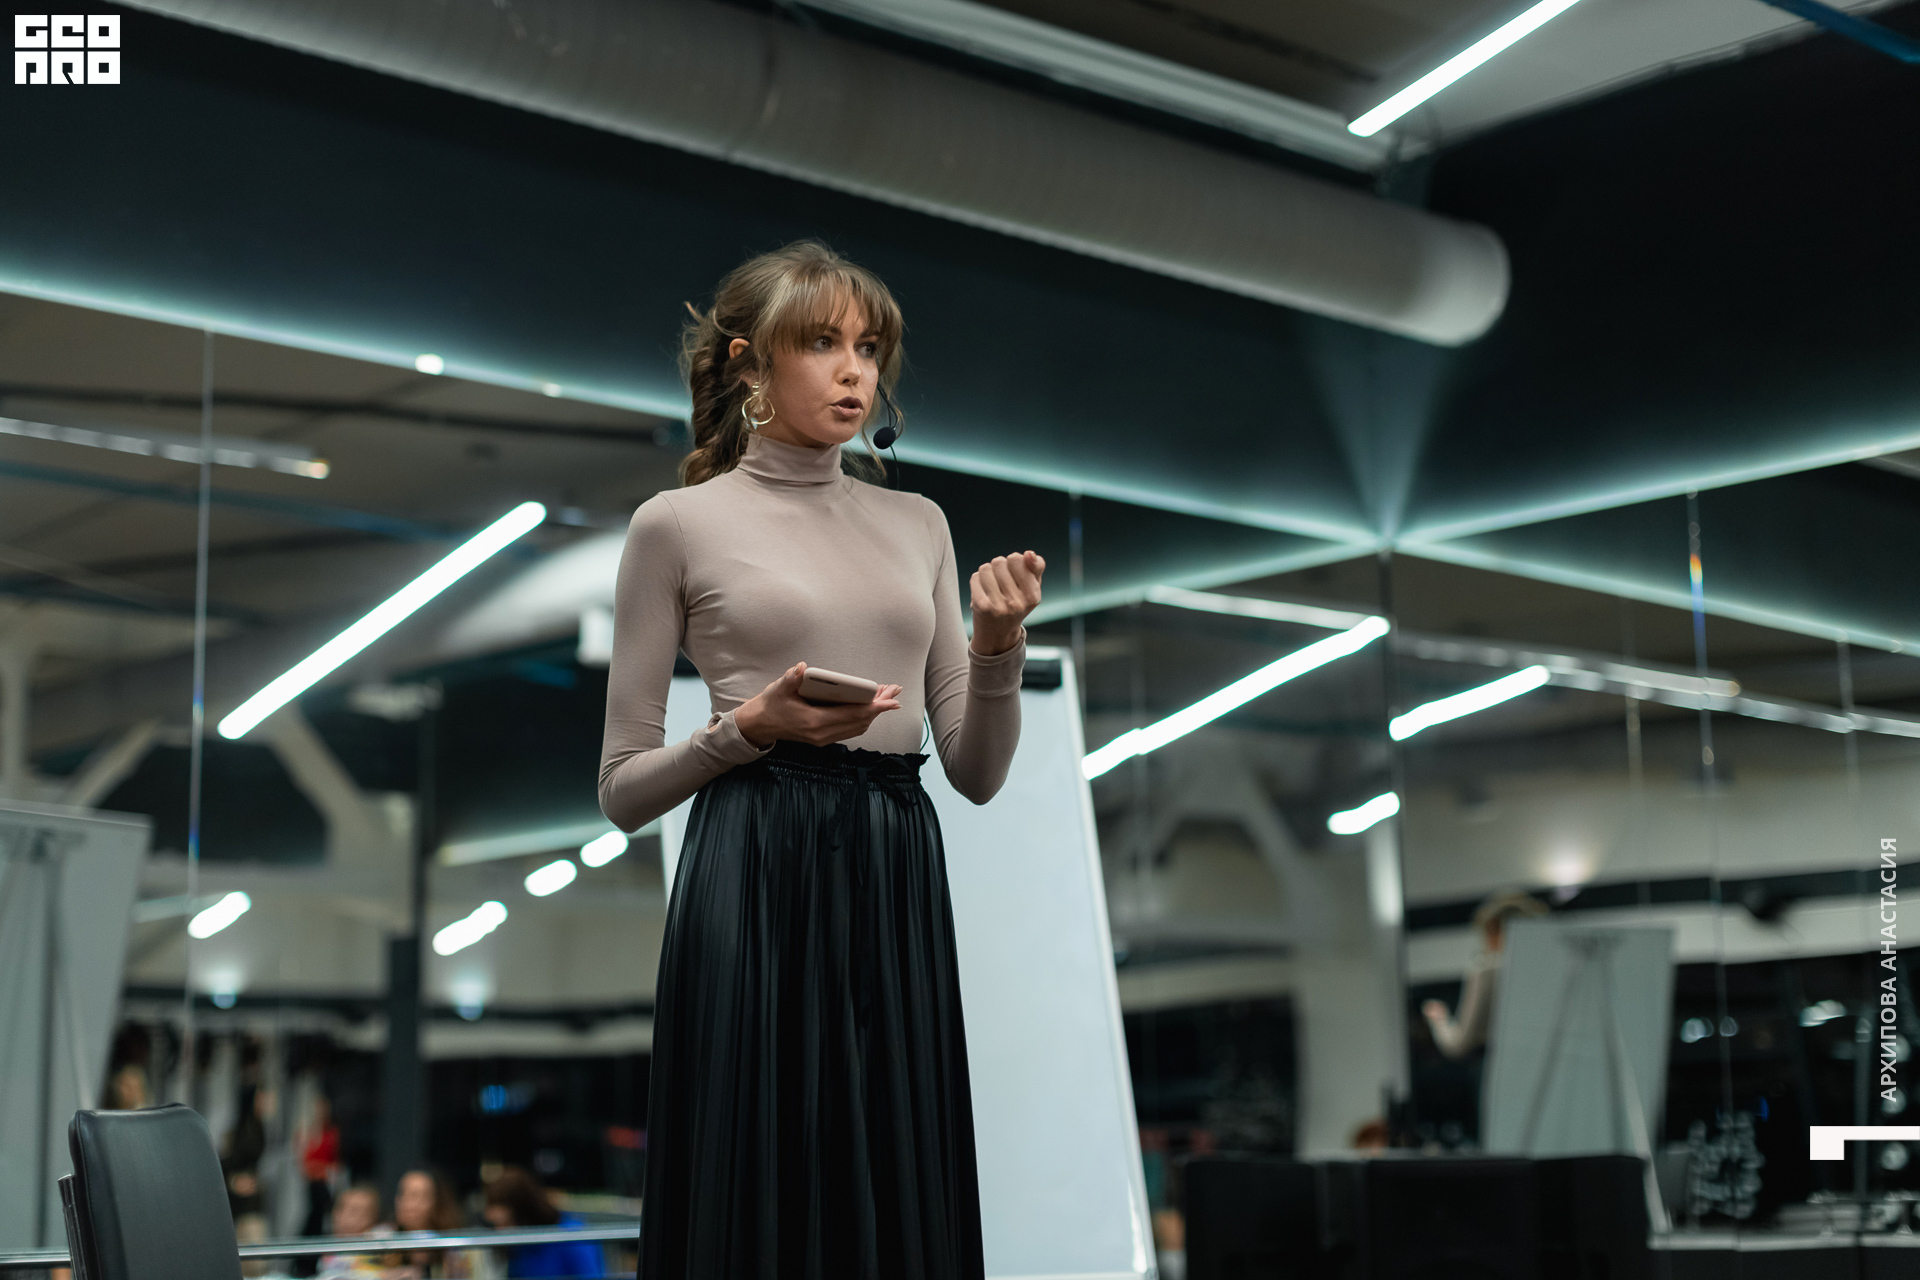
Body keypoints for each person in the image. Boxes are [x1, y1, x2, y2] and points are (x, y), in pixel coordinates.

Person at [599, 240, 1044, 1280]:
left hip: (894, 859)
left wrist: (996, 646)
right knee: (765, 1168)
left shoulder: (918, 522)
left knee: (894, 1167)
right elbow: (620, 789)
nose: (855, 371)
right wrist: (747, 729)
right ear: (751, 361)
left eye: (869, 347)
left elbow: (976, 771)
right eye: (823, 343)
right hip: (756, 856)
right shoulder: (677, 525)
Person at [1421, 888, 1550, 1058]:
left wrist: (1439, 1018)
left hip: (1498, 1062)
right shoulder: (1543, 968)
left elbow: (1459, 1044)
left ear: (1494, 929)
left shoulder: (1487, 970)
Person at [481, 1167, 604, 1279]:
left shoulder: (572, 1236)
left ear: (523, 1213)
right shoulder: (521, 1247)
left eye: (505, 1223)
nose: (499, 1231)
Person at [389, 1168, 486, 1279]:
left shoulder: (453, 1246)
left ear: (436, 1201)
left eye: (416, 1196)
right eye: (402, 1193)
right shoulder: (384, 1240)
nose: (406, 1202)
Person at [317, 1185, 393, 1278]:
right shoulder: (327, 1247)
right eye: (341, 1208)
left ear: (373, 1218)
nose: (344, 1216)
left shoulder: (380, 1242)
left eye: (355, 1211)